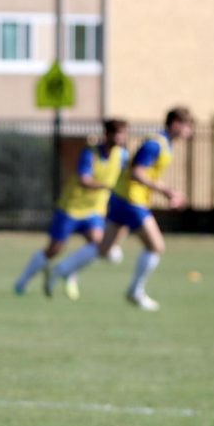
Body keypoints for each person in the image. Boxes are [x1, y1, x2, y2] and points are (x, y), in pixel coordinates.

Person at [48, 107, 194, 311]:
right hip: (130, 201)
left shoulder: (166, 144)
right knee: (156, 246)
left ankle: (63, 269)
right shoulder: (155, 144)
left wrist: (168, 191)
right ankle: (135, 291)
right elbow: (136, 173)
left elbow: (147, 173)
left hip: (124, 199)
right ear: (176, 124)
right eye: (188, 126)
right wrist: (166, 191)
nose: (190, 132)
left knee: (104, 249)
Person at [14, 119, 128, 299]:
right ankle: (23, 281)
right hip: (71, 208)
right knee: (54, 249)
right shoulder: (90, 153)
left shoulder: (122, 156)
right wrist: (107, 186)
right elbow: (84, 180)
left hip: (95, 211)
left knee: (98, 245)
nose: (122, 137)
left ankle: (68, 271)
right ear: (107, 134)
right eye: (118, 133)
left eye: (124, 133)